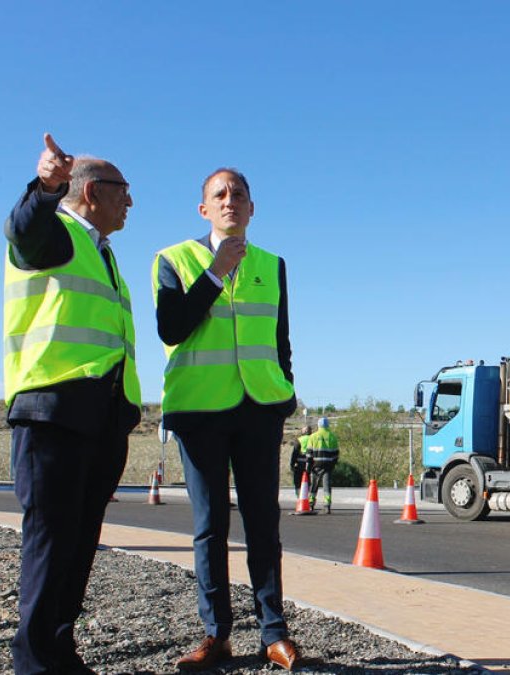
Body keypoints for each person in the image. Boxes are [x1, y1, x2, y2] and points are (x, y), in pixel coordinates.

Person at [153, 168, 301, 671]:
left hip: (259, 407)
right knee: (210, 526)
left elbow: (280, 338)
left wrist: (285, 391)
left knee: (264, 522)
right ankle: (216, 635)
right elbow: (171, 328)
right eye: (219, 194)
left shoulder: (273, 264)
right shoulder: (173, 259)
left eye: (238, 194)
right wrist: (215, 272)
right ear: (204, 209)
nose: (229, 200)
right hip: (199, 409)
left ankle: (274, 633)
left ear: (252, 208)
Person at [3, 134, 141, 674]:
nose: (129, 201)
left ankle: (60, 651)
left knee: (79, 542)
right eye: (122, 190)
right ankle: (34, 662)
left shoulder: (103, 254)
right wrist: (44, 188)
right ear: (90, 192)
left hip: (101, 415)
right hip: (53, 410)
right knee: (50, 541)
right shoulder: (54, 231)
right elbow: (23, 230)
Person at [302, 417, 339, 514]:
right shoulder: (332, 436)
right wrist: (333, 464)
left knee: (314, 485)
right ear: (328, 425)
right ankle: (327, 505)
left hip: (316, 465)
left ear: (318, 425)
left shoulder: (313, 436)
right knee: (327, 486)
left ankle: (311, 504)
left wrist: (308, 467)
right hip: (328, 466)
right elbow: (336, 454)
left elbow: (309, 454)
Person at [289, 425, 313, 497]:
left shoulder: (299, 440)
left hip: (300, 464)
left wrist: (292, 464)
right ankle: (308, 495)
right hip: (311, 463)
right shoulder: (313, 439)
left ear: (303, 431)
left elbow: (295, 453)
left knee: (297, 480)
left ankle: (299, 495)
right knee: (308, 479)